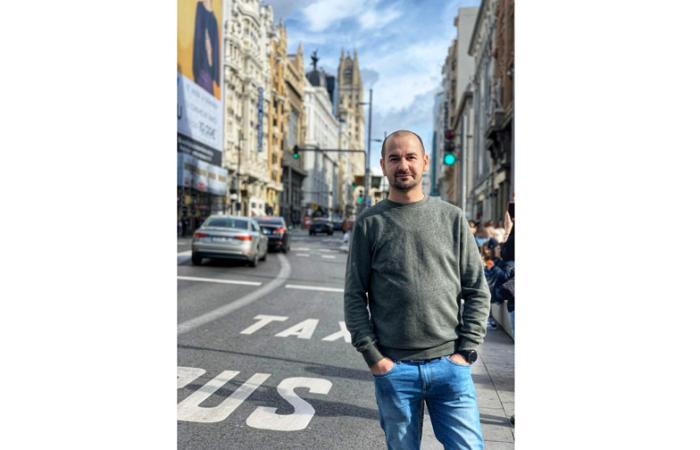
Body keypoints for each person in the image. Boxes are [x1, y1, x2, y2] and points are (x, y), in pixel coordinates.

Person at [344, 130, 491, 450]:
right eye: (394, 158)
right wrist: (374, 357)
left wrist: (466, 351)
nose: (403, 165)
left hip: (450, 368)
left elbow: (477, 290)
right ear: (383, 165)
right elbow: (354, 295)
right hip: (394, 370)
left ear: (425, 162)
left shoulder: (452, 218)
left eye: (411, 157)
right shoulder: (369, 223)